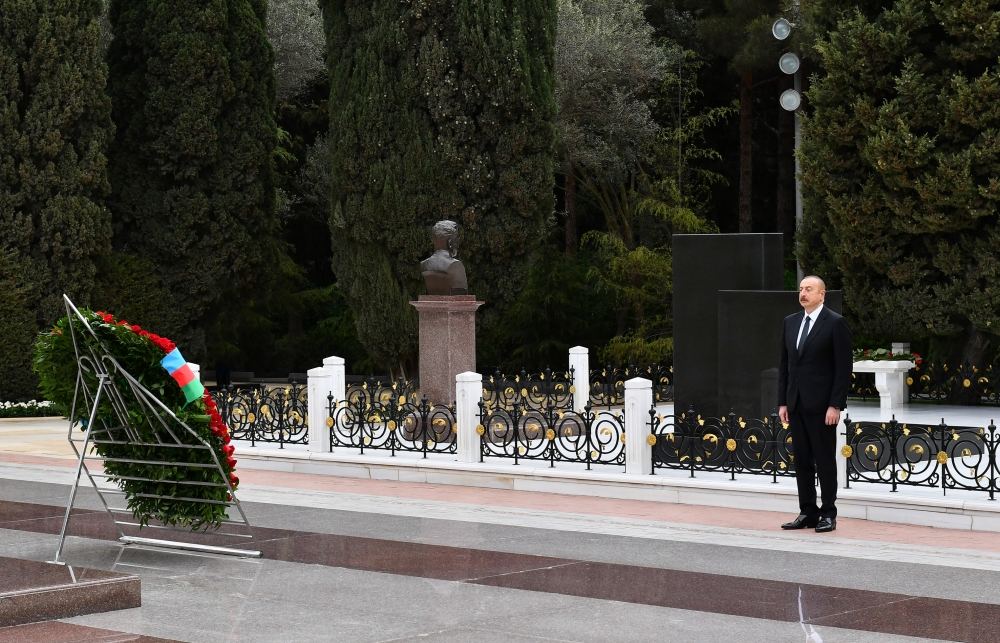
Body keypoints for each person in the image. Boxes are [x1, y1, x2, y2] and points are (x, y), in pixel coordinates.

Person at [778, 275, 851, 533]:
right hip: (796, 404)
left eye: (809, 289)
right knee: (802, 461)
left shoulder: (835, 323)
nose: (803, 293)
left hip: (822, 407)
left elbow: (843, 368)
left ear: (822, 294)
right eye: (801, 289)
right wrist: (783, 402)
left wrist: (835, 405)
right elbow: (785, 365)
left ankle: (828, 513)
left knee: (825, 460)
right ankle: (808, 511)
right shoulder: (790, 322)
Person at [420, 220, 468, 295]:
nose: (458, 242)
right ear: (450, 242)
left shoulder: (424, 265)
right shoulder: (456, 265)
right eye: (456, 238)